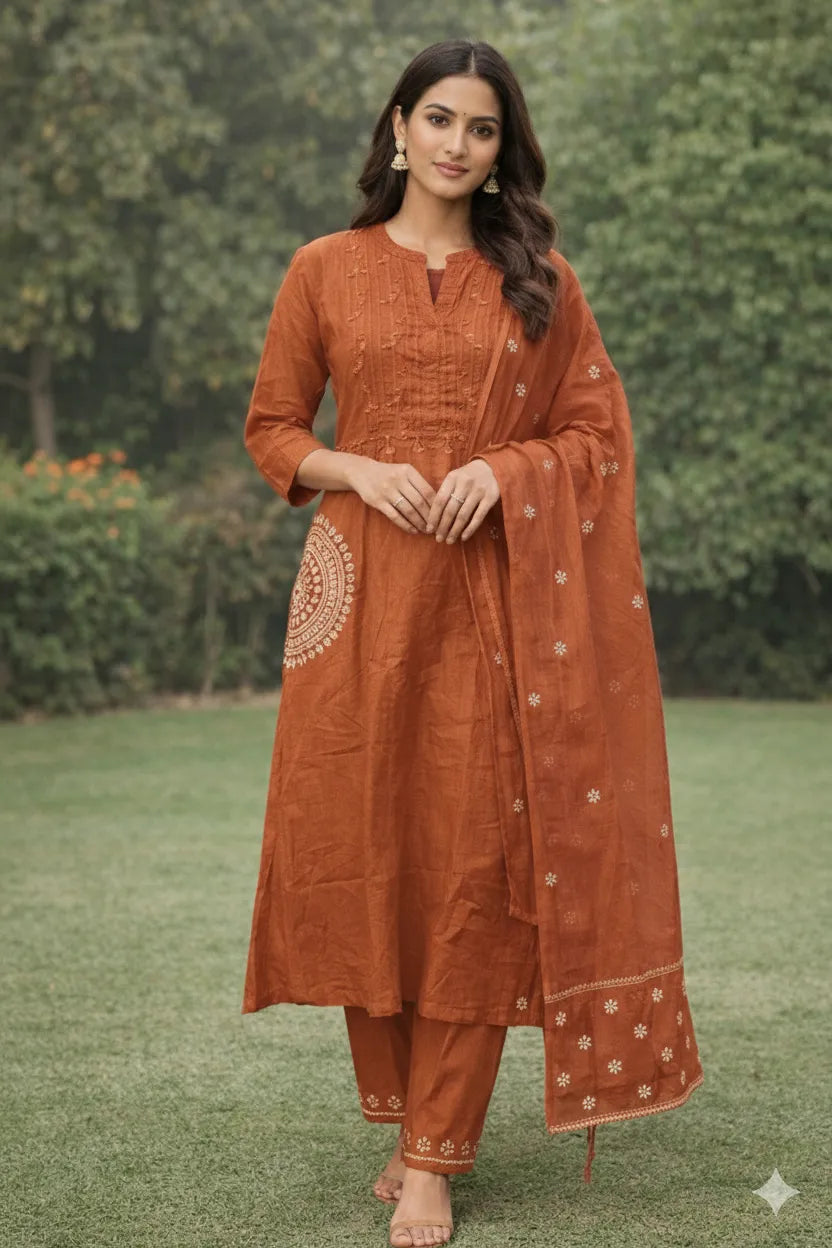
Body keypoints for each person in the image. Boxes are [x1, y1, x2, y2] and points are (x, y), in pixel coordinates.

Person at [240, 38, 704, 1248]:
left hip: (498, 611)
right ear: (398, 126)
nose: (456, 143)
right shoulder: (322, 270)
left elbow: (596, 438)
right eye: (437, 118)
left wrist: (505, 471)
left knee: (474, 873)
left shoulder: (540, 279)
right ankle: (408, 1125)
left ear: (504, 150)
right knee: (364, 854)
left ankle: (435, 1155)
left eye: (481, 128)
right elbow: (275, 428)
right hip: (354, 601)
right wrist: (360, 466)